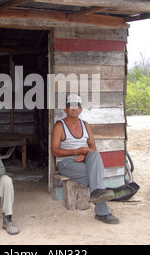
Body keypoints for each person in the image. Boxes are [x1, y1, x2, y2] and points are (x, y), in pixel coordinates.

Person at [51, 94, 119, 224]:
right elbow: (54, 151)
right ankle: (103, 211)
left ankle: (99, 199)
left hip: (83, 160)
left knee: (95, 155)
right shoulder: (60, 126)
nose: (74, 109)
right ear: (65, 110)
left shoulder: (85, 125)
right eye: (70, 106)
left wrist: (85, 154)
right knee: (94, 177)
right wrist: (76, 151)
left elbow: (93, 146)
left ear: (81, 109)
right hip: (65, 163)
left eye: (77, 106)